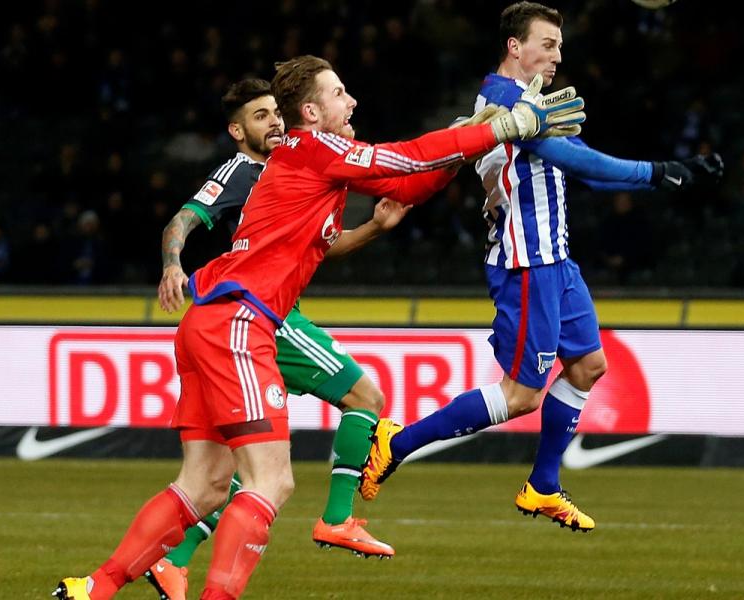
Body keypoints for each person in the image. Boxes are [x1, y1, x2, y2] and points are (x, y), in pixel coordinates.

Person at [53, 54, 583, 600]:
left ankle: (94, 586)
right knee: (271, 481)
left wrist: (467, 135)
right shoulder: (313, 146)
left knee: (206, 483)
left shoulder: (308, 161)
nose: (351, 102)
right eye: (339, 93)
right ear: (310, 110)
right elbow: (403, 161)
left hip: (213, 321)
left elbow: (405, 182)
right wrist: (499, 128)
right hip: (240, 321)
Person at [359, 1, 723, 533]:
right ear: (515, 46)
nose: (556, 57)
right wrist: (661, 171)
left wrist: (670, 177)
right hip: (527, 261)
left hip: (556, 258)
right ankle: (399, 441)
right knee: (521, 395)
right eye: (547, 45)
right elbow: (578, 161)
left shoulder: (531, 100)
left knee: (588, 366)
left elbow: (588, 171)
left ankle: (543, 487)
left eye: (560, 47)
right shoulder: (506, 100)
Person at [141, 78, 416, 600]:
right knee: (367, 397)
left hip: (262, 312)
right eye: (260, 116)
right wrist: (173, 264)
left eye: (275, 113)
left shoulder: (296, 165)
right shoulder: (241, 171)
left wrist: (376, 229)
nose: (273, 123)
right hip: (258, 315)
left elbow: (323, 247)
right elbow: (182, 219)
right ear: (237, 130)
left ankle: (173, 560)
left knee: (248, 470)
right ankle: (336, 518)